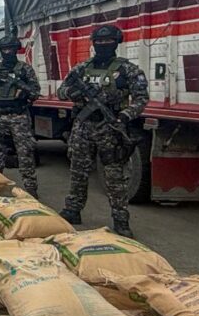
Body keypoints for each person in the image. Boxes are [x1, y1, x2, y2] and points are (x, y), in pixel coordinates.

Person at [58, 25, 149, 238]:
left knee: (114, 174)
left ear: (116, 43)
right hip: (83, 124)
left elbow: (141, 99)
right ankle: (73, 209)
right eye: (99, 42)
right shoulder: (82, 68)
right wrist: (74, 92)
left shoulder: (128, 69)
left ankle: (120, 218)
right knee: (78, 169)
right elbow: (62, 92)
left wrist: (126, 115)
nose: (103, 46)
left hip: (110, 126)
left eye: (108, 42)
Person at [0, 35, 40, 197]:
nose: (7, 52)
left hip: (18, 116)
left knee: (25, 153)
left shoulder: (24, 69)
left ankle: (31, 190)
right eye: (4, 49)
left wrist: (24, 93)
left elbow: (35, 92)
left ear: (16, 50)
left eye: (10, 49)